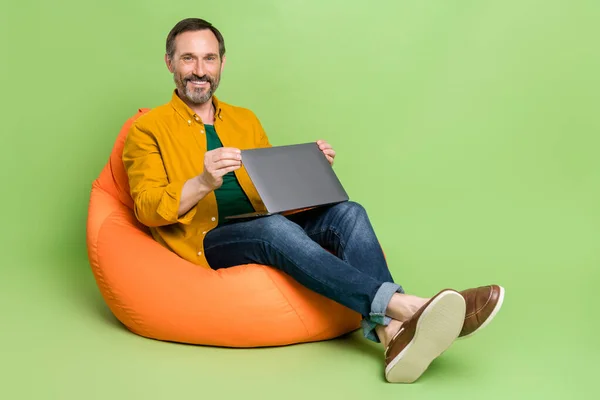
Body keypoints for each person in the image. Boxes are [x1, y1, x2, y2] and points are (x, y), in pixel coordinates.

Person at [122, 17, 505, 383]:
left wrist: (310, 168)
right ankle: (408, 307)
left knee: (348, 212)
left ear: (222, 63)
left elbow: (273, 192)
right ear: (170, 62)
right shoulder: (147, 128)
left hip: (265, 222)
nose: (199, 70)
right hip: (209, 239)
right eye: (188, 57)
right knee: (271, 230)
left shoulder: (244, 119)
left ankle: (392, 337)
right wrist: (203, 181)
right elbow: (147, 207)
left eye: (209, 58)